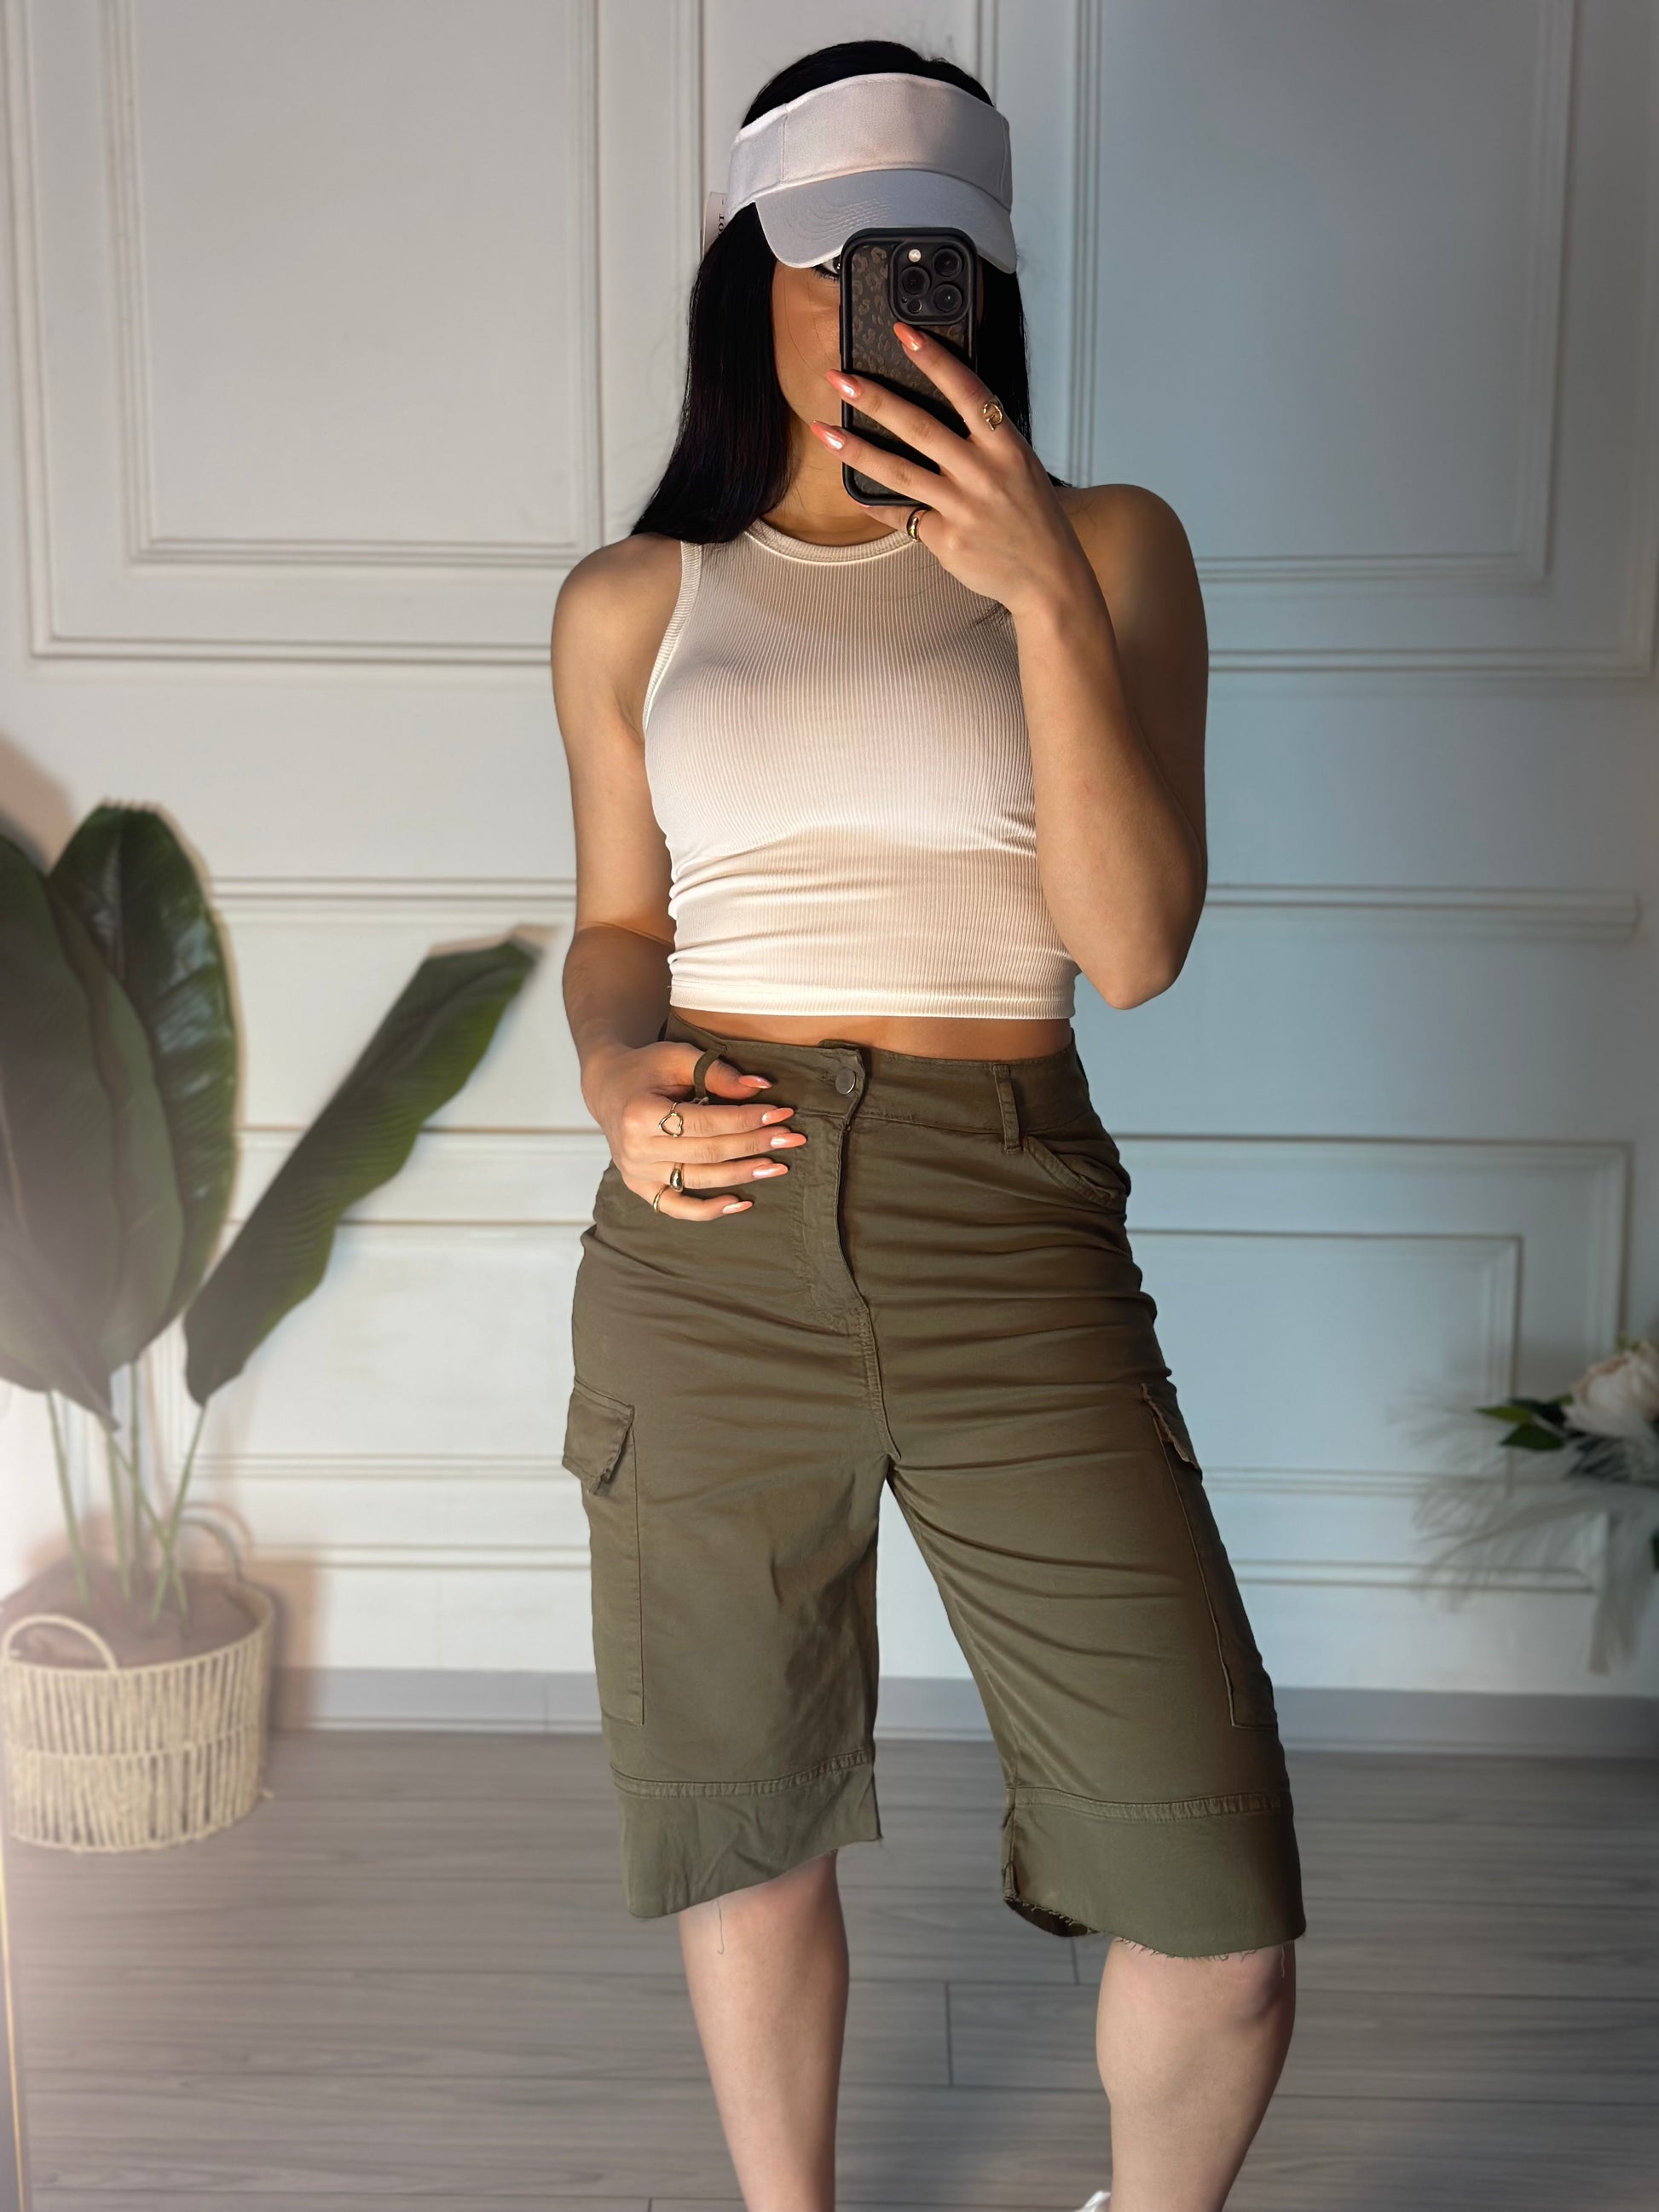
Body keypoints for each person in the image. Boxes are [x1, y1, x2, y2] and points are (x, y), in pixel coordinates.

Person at [550, 38, 1305, 2212]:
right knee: (749, 1820)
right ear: (749, 278)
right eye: (831, 262)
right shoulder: (633, 598)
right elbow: (619, 929)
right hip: (710, 1225)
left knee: (1217, 1904)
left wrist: (1037, 587)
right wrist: (612, 1074)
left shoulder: (1112, 547)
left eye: (929, 263)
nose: (878, 305)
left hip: (1007, 1214)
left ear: (981, 289)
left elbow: (1131, 947)